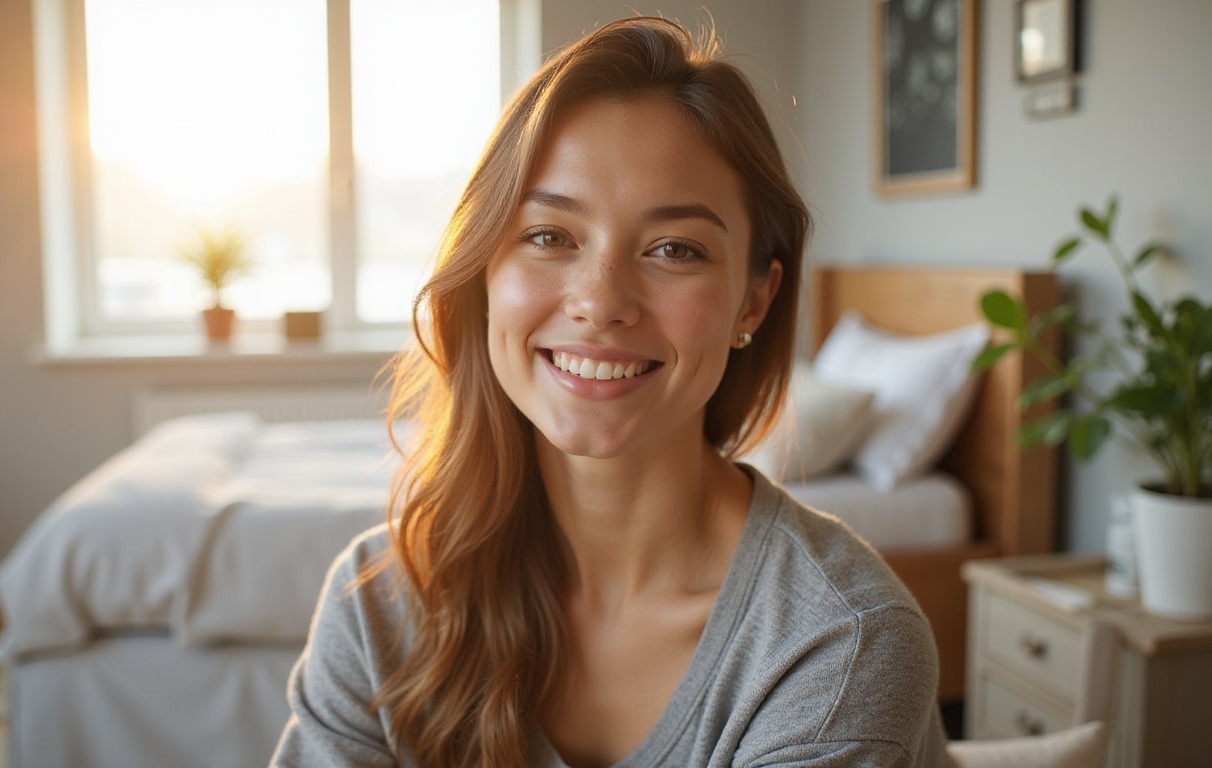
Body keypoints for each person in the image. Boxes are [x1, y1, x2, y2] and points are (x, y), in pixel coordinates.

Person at [271, 16, 946, 768]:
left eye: (673, 249)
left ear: (752, 301)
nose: (600, 301)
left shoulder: (839, 641)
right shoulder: (380, 604)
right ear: (485, 267)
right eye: (549, 236)